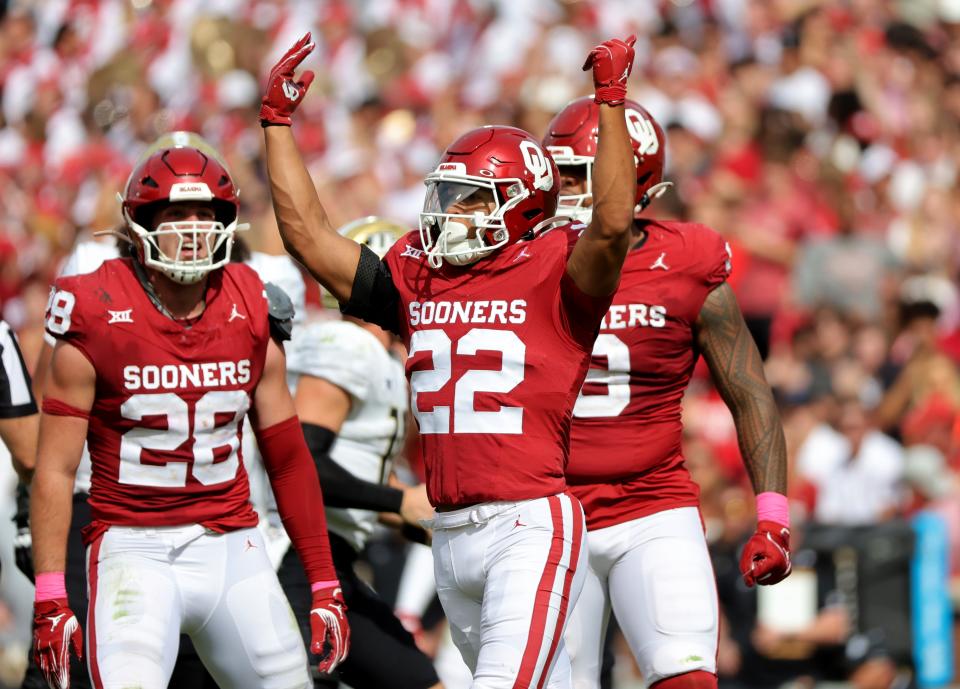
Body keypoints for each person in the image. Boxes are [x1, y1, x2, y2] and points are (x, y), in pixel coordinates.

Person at [261, 32, 639, 689]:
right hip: (447, 533)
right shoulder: (419, 273)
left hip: (527, 522)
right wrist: (277, 125)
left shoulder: (556, 269)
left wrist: (610, 102)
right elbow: (311, 240)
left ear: (522, 206)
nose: (447, 211)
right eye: (447, 193)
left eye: (469, 197)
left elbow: (609, 224)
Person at [29, 138, 349, 689]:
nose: (194, 228)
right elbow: (54, 468)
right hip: (131, 545)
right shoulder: (95, 309)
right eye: (177, 214)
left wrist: (324, 580)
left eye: (206, 214)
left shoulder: (250, 303)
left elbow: (289, 457)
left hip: (231, 543)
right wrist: (51, 593)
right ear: (141, 222)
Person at [542, 97, 792, 689]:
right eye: (558, 177)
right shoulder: (524, 261)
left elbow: (750, 394)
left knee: (686, 679)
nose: (561, 193)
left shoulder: (686, 263)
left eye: (580, 176)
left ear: (635, 180)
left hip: (651, 506)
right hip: (545, 513)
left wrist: (773, 516)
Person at [274, 216, 441, 689]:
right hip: (297, 557)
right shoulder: (348, 342)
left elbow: (347, 468)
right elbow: (301, 461)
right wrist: (399, 503)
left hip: (330, 555)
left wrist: (417, 516)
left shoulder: (379, 357)